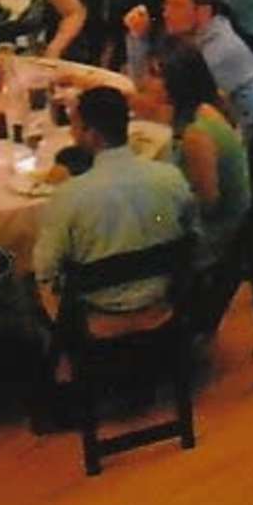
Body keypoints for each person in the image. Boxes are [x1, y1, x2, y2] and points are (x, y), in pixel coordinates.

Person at [28, 84, 196, 327]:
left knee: (23, 290)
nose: (72, 135)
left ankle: (62, 358)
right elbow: (191, 234)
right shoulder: (171, 178)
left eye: (75, 126)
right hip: (162, 305)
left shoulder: (69, 196)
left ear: (92, 134)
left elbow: (44, 269)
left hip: (99, 318)